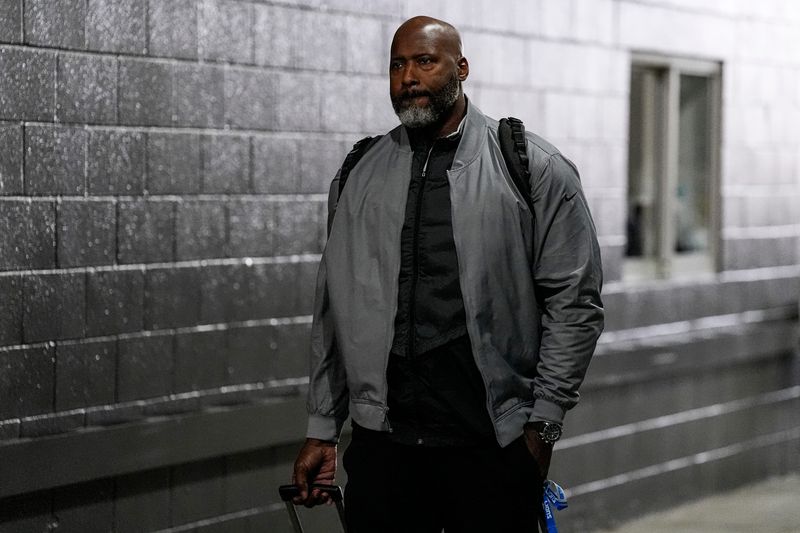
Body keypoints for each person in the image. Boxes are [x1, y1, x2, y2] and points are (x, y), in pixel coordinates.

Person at [291, 15, 604, 533]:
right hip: (385, 450)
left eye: (424, 61)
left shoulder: (532, 167)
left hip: (490, 447)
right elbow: (333, 309)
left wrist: (542, 425)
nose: (408, 76)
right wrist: (323, 427)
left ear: (461, 68)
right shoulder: (356, 174)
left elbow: (575, 303)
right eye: (397, 65)